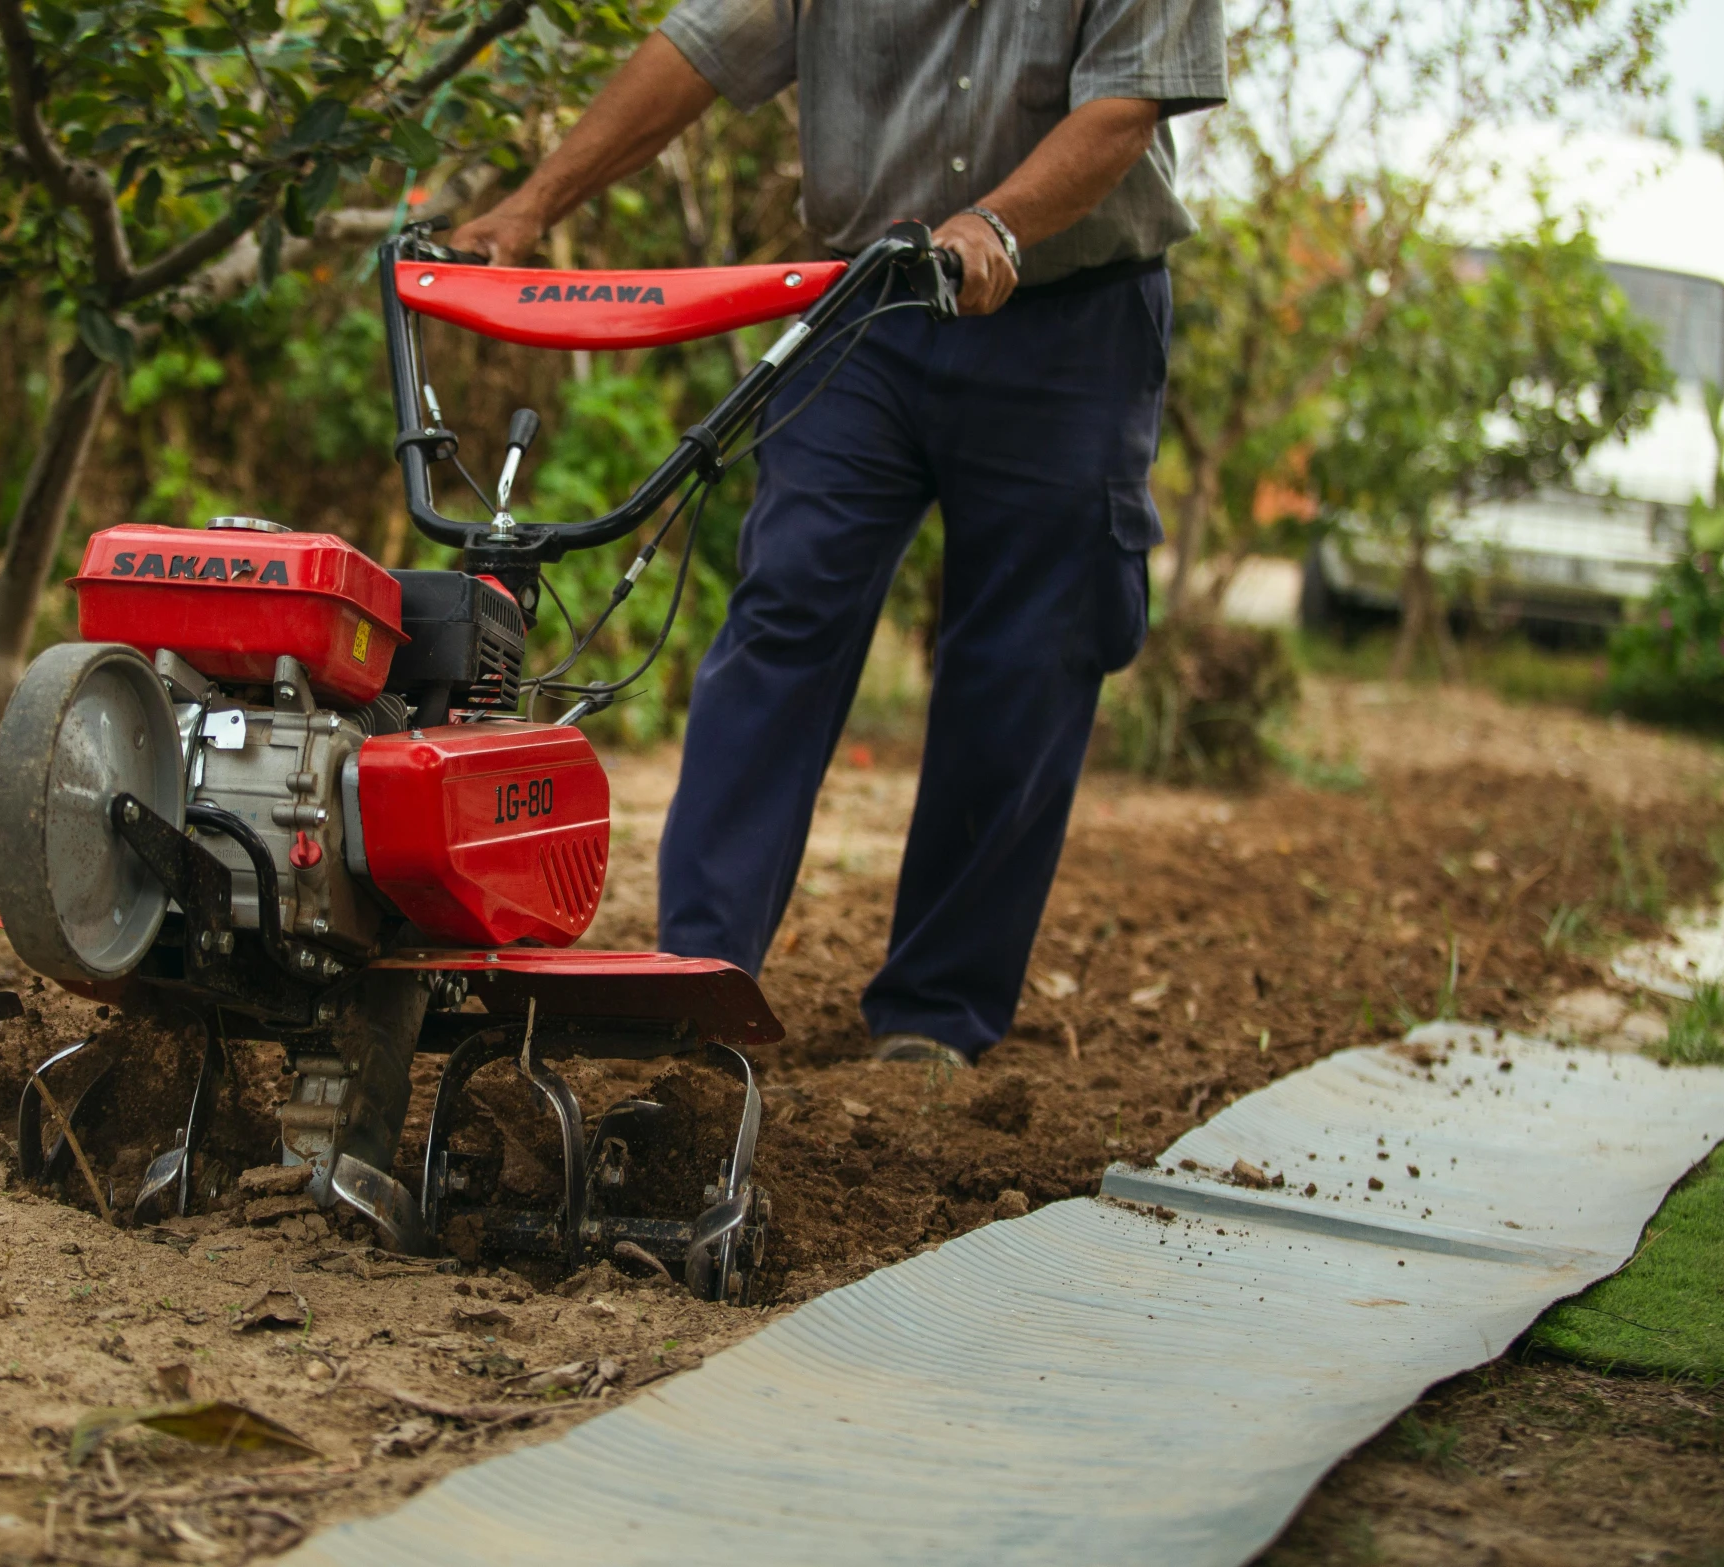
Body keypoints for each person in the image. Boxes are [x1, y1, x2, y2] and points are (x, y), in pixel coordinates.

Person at [452, 1, 1226, 1069]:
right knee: (784, 611)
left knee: (1024, 660)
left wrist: (996, 222)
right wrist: (531, 207)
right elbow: (703, 48)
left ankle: (933, 1012)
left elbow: (1125, 104)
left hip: (1068, 317)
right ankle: (699, 977)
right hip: (867, 309)